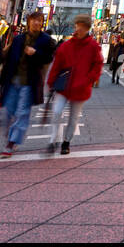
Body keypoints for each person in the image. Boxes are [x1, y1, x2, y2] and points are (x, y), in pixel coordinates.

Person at [0, 11, 56, 158]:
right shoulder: (18, 39)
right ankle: (11, 137)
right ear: (29, 22)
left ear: (42, 23)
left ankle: (11, 142)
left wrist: (35, 53)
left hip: (29, 82)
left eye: (39, 20)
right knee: (8, 111)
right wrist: (0, 82)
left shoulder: (46, 40)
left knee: (22, 113)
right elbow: (8, 61)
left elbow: (48, 59)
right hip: (12, 80)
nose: (37, 23)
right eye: (34, 20)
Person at [44, 15, 104, 155]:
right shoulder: (66, 45)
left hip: (81, 88)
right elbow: (56, 65)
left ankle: (66, 141)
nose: (80, 28)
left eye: (83, 26)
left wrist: (89, 79)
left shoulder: (94, 46)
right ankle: (53, 139)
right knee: (57, 112)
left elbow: (97, 65)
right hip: (64, 86)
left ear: (87, 28)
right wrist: (50, 82)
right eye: (78, 25)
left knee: (73, 117)